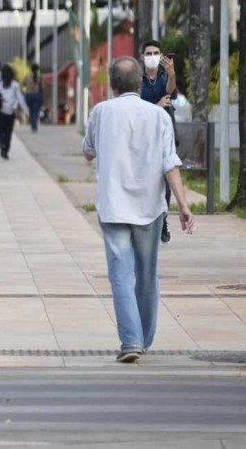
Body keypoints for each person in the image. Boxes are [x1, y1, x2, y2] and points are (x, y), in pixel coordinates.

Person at [83, 57, 194, 364]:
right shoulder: (158, 116)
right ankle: (142, 340)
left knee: (120, 275)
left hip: (113, 206)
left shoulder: (101, 112)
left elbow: (88, 151)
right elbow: (169, 162)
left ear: (112, 84)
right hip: (150, 208)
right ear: (138, 83)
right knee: (147, 275)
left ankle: (131, 341)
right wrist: (183, 205)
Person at [139, 39, 179, 244]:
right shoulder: (138, 82)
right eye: (149, 53)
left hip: (166, 133)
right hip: (145, 136)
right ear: (142, 57)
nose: (152, 57)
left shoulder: (164, 77)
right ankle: (147, 219)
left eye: (156, 53)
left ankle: (163, 218)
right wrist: (156, 106)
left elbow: (171, 92)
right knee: (147, 178)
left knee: (167, 178)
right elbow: (135, 108)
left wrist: (172, 72)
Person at [0, 64, 28, 160]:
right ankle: (6, 149)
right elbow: (20, 98)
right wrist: (26, 111)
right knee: (8, 132)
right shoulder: (15, 85)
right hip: (10, 112)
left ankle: (1, 144)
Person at [23, 63, 44, 132]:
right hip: (37, 95)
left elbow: (23, 84)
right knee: (35, 111)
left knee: (31, 111)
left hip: (28, 95)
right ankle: (34, 126)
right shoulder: (40, 76)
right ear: (37, 69)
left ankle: (33, 124)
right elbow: (42, 86)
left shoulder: (27, 76)